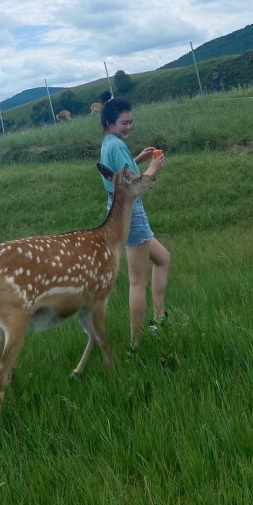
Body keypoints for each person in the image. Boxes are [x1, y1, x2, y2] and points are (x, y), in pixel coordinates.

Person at [99, 97, 170, 346]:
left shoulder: (109, 142)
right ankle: (136, 343)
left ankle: (160, 318)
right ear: (110, 122)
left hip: (119, 207)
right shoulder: (117, 145)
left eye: (131, 122)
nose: (129, 127)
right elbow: (134, 184)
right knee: (137, 281)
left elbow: (123, 174)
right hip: (130, 210)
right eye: (124, 123)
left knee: (163, 259)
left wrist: (137, 159)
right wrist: (153, 168)